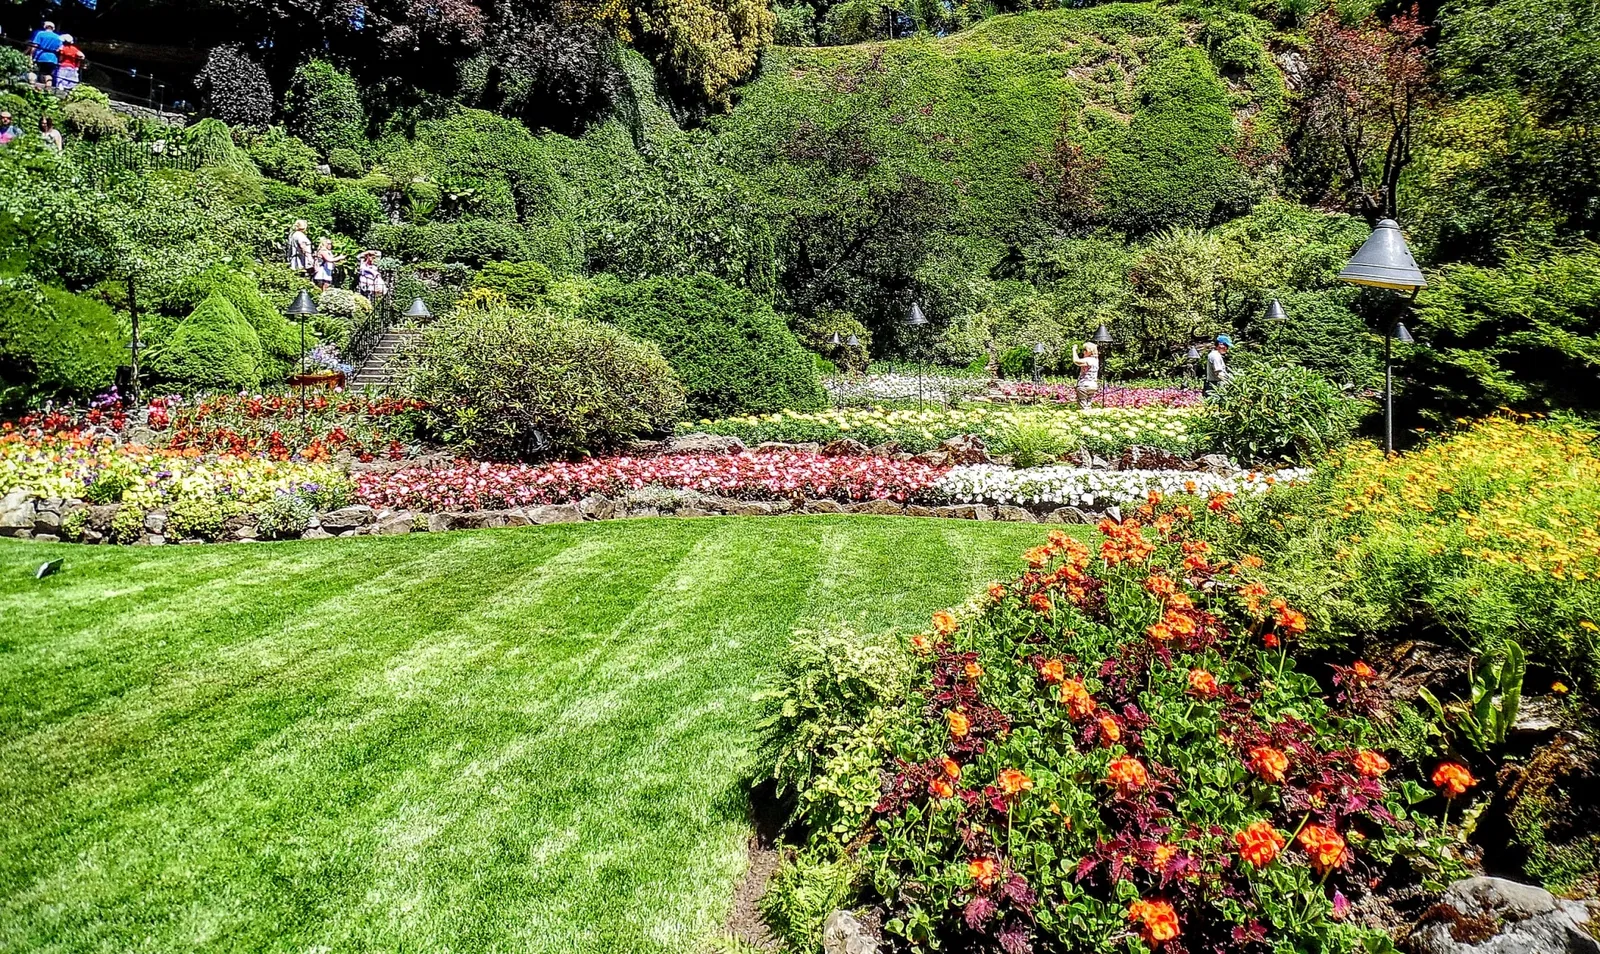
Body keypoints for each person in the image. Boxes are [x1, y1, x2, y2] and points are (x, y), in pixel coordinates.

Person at [27, 21, 62, 87]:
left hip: (41, 56)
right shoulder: (58, 37)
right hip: (53, 58)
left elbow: (35, 45)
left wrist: (31, 55)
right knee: (48, 74)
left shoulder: (41, 34)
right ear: (53, 28)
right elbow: (60, 49)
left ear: (44, 27)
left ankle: (35, 88)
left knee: (37, 73)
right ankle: (48, 89)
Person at [1071, 341, 1100, 409]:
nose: (1083, 352)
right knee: (1088, 404)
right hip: (1093, 385)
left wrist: (1074, 350)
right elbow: (1080, 364)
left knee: (1082, 406)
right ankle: (1089, 417)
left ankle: (1083, 417)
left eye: (1085, 350)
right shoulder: (1096, 360)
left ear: (1089, 351)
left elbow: (1076, 361)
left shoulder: (1089, 360)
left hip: (1084, 385)